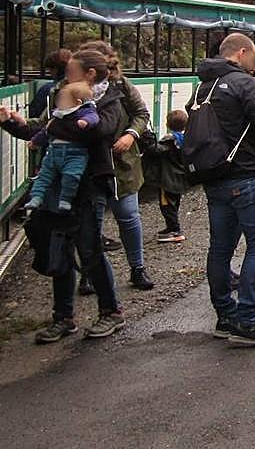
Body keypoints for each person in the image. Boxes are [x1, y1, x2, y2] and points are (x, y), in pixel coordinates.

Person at [1, 49, 127, 342]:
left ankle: (111, 311)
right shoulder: (63, 95)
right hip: (58, 186)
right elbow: (43, 128)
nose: (63, 77)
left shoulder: (110, 101)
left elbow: (99, 132)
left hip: (89, 186)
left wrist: (56, 125)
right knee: (60, 248)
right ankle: (63, 317)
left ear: (89, 74)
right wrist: (12, 122)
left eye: (69, 72)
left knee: (90, 249)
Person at [191, 33, 255, 345]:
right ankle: (247, 319)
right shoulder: (245, 84)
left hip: (213, 176)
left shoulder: (202, 87)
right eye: (254, 55)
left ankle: (224, 315)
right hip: (246, 174)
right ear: (242, 52)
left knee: (220, 248)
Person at [77, 40, 154, 292]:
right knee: (91, 223)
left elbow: (142, 113)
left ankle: (137, 267)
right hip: (88, 165)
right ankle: (89, 272)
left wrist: (131, 134)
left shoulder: (121, 86)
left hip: (122, 163)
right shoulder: (71, 88)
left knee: (129, 217)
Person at [24, 82, 98, 212]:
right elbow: (46, 131)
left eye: (63, 99)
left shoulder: (85, 111)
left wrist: (85, 122)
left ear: (77, 102)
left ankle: (65, 199)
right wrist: (35, 141)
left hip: (75, 153)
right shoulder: (57, 115)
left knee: (72, 175)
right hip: (53, 152)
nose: (59, 103)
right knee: (43, 176)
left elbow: (94, 117)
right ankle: (36, 197)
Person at [144, 109, 189, 242]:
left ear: (167, 124)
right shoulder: (185, 139)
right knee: (174, 203)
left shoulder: (169, 140)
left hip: (168, 179)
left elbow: (156, 151)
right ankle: (171, 227)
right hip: (180, 178)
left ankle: (175, 230)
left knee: (166, 205)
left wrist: (148, 138)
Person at [30, 48, 71, 119]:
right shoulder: (82, 87)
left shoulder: (48, 88)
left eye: (50, 70)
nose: (50, 73)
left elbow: (34, 112)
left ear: (55, 69)